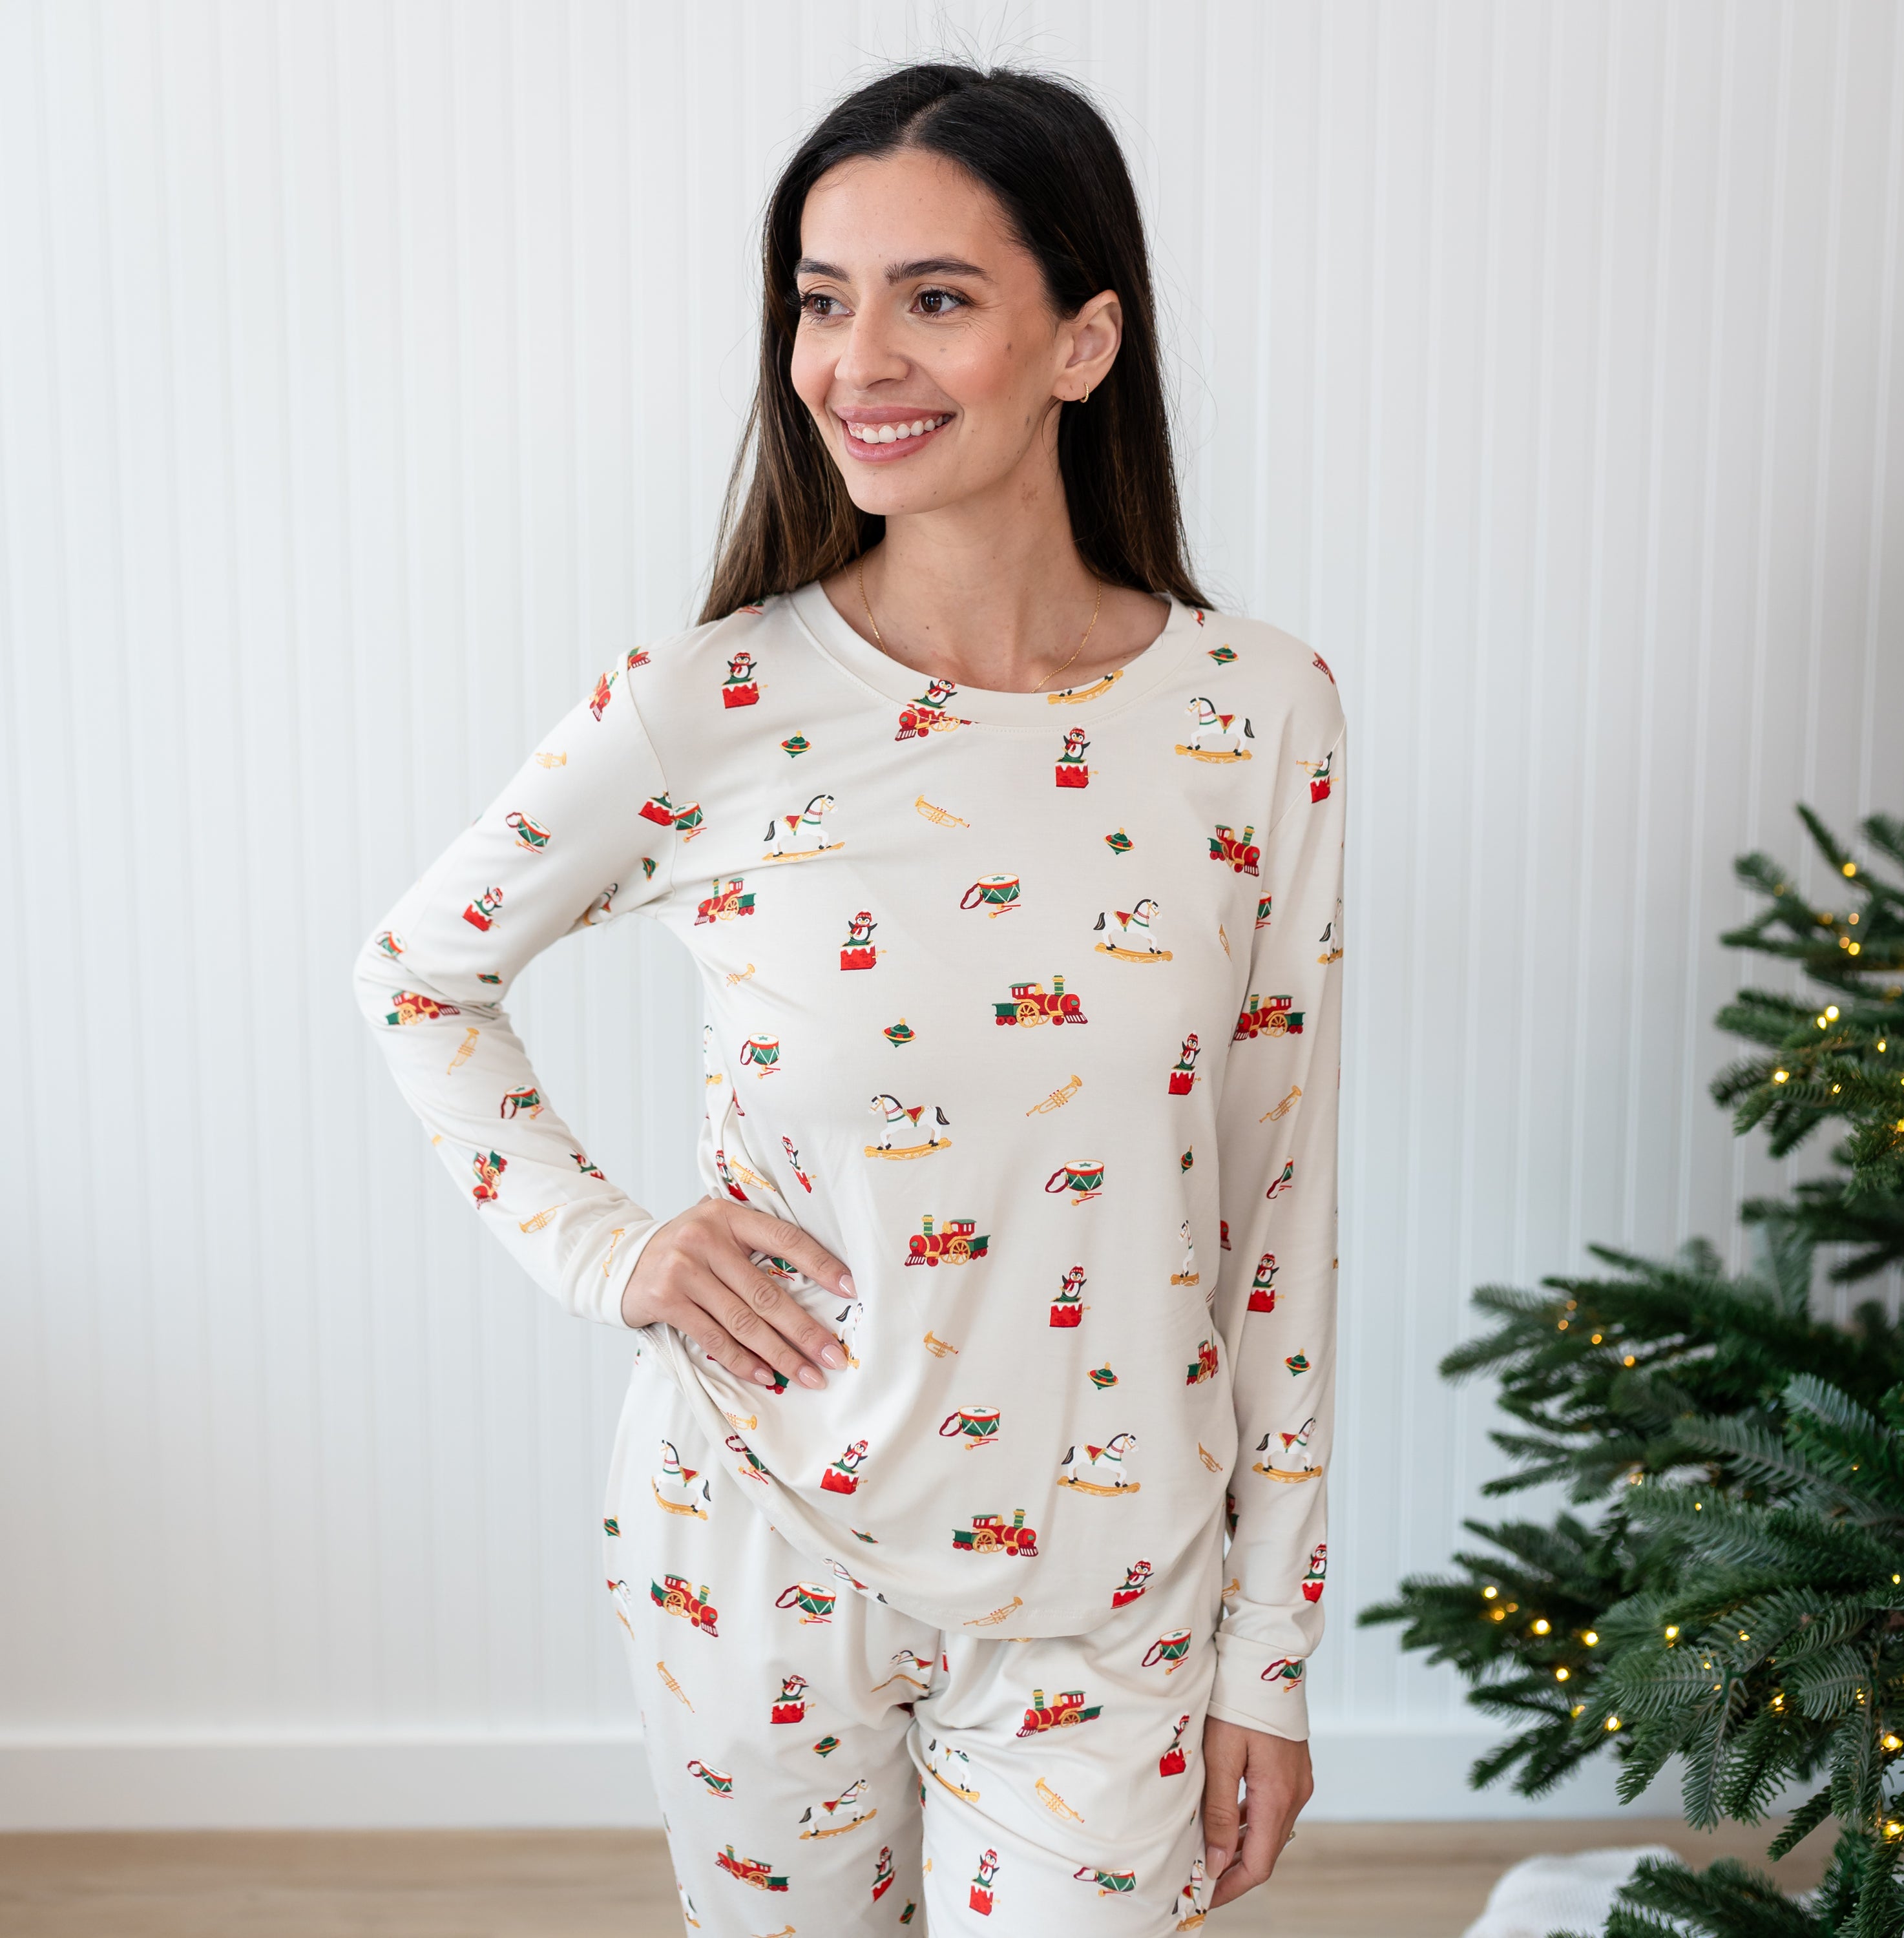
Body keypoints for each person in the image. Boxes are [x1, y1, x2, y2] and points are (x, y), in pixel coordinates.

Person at [351, 59, 1344, 1937]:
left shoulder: (1256, 713)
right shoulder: (706, 705)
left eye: (935, 298)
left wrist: (1268, 1657)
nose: (856, 360)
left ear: (1085, 342)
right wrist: (609, 1248)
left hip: (1111, 1589)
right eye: (822, 300)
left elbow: (1274, 1205)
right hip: (754, 1548)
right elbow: (420, 975)